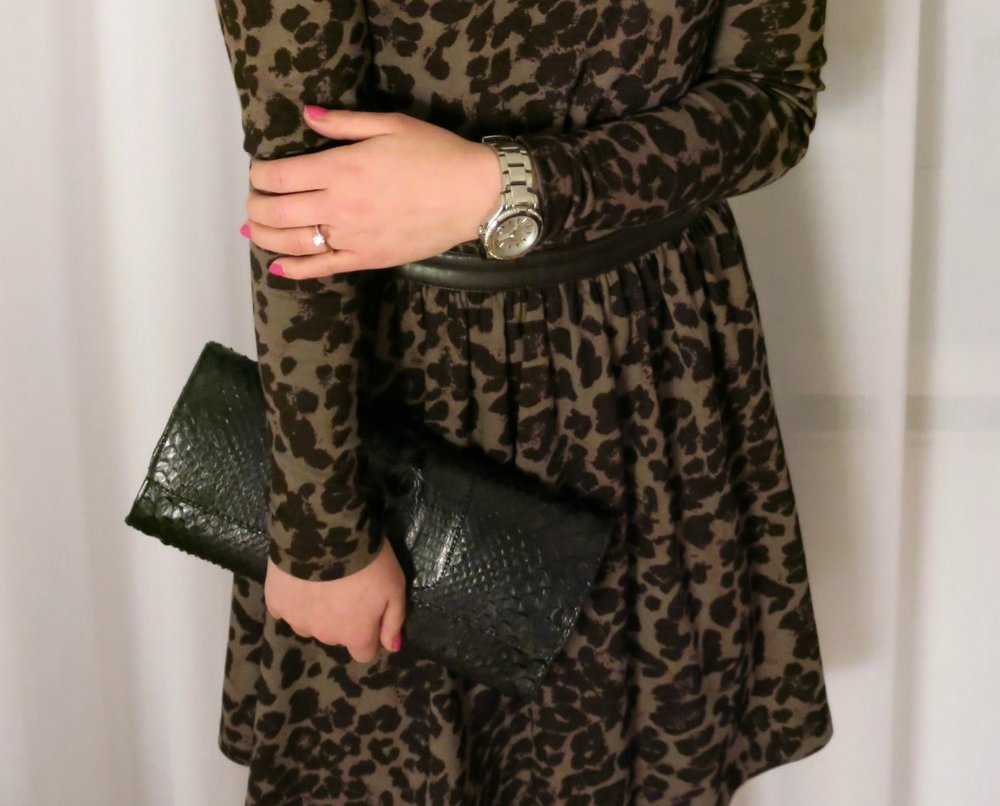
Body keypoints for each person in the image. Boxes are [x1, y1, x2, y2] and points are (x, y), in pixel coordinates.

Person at [212, 1, 834, 803]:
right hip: (406, 395)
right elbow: (299, 205)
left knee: (635, 763)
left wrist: (508, 186)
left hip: (653, 378)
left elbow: (772, 99)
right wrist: (319, 533)